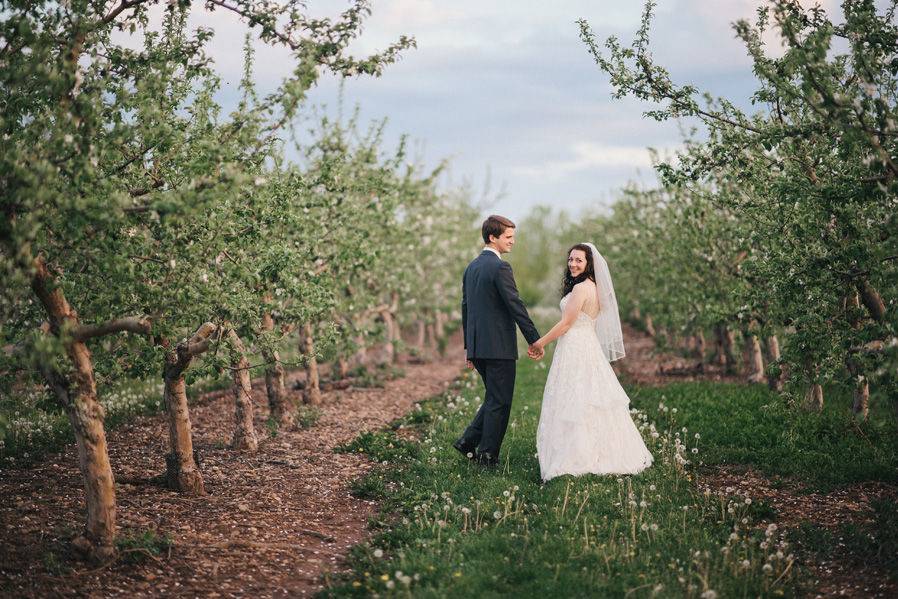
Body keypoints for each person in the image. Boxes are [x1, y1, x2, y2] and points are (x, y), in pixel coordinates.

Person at [529, 243, 653, 482]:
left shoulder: (580, 290)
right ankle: (600, 449)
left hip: (576, 346)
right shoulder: (594, 288)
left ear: (589, 264)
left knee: (574, 398)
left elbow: (566, 324)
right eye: (571, 259)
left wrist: (539, 343)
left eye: (579, 261)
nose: (573, 264)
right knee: (589, 397)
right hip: (588, 345)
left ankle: (577, 455)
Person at [453, 215, 542, 468]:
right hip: (498, 347)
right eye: (508, 237)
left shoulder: (471, 267)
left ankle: (468, 442)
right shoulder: (500, 267)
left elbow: (465, 309)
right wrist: (534, 340)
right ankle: (487, 456)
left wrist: (470, 349)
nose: (513, 242)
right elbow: (515, 305)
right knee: (500, 401)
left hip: (479, 346)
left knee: (494, 397)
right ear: (493, 237)